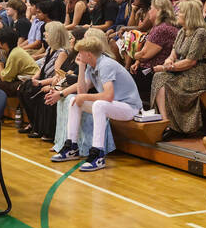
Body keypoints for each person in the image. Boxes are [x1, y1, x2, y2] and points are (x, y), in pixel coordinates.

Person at [50, 34, 143, 172]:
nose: (78, 55)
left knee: (99, 105)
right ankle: (72, 147)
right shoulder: (91, 66)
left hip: (130, 107)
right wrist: (81, 66)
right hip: (114, 105)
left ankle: (98, 154)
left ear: (88, 54)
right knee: (75, 101)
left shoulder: (105, 65)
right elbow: (81, 91)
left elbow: (108, 95)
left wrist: (85, 96)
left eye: (80, 53)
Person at [150, 0, 206, 140]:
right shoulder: (182, 31)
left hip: (199, 73)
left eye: (180, 12)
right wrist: (168, 61)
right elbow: (173, 53)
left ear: (189, 15)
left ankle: (174, 124)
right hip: (183, 69)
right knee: (158, 77)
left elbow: (191, 61)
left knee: (165, 81)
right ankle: (165, 122)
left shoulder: (201, 33)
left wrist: (168, 67)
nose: (177, 14)